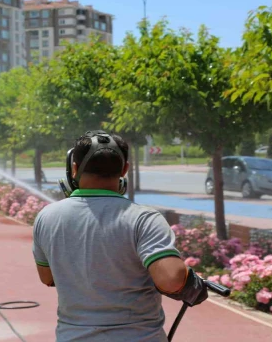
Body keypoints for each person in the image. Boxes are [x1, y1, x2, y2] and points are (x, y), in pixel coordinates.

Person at [32, 131, 208, 342]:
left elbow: (47, 277)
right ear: (125, 169)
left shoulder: (47, 217)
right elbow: (172, 280)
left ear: (75, 169)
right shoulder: (144, 218)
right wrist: (190, 281)